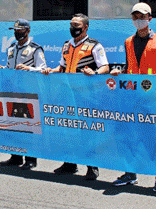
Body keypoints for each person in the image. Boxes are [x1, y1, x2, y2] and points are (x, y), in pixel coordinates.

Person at [110, 2, 156, 192]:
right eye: (135, 17)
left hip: (154, 99)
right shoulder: (128, 42)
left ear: (150, 19)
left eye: (142, 17)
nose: (139, 20)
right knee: (130, 137)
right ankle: (130, 174)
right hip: (133, 97)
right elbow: (129, 67)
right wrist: (119, 71)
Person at [42, 14, 109, 180]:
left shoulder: (94, 45)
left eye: (76, 25)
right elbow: (62, 66)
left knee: (86, 130)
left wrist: (94, 73)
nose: (73, 28)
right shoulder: (67, 45)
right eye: (71, 25)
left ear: (85, 27)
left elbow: (105, 67)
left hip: (86, 95)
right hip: (67, 92)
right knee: (68, 128)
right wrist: (52, 70)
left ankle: (92, 166)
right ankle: (70, 163)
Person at [0, 18, 46, 169]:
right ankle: (15, 157)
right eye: (15, 31)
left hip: (29, 92)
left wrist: (29, 69)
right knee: (14, 125)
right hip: (13, 92)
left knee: (29, 126)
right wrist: (0, 67)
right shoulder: (11, 48)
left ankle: (31, 159)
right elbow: (10, 69)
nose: (17, 33)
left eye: (20, 31)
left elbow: (43, 69)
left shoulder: (36, 49)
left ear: (28, 31)